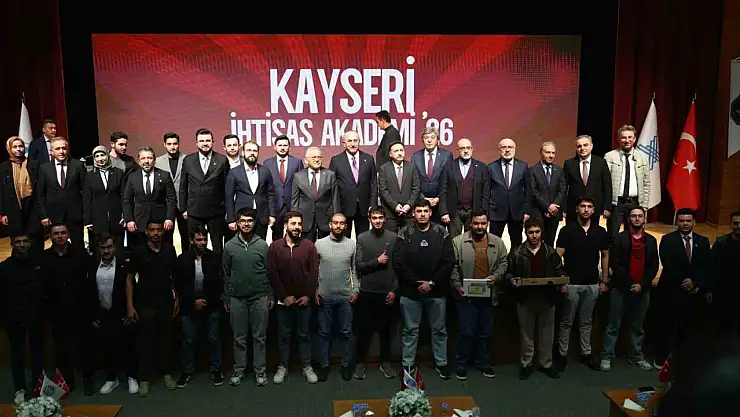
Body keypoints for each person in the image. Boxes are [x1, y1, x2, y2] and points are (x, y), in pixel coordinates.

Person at [393, 199, 455, 380]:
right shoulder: (405, 232)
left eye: (425, 211)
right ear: (413, 213)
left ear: (430, 213)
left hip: (437, 291)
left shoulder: (441, 232)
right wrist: (416, 282)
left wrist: (432, 283)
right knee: (410, 331)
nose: (422, 214)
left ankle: (442, 363)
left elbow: (449, 261)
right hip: (410, 292)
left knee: (439, 330)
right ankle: (408, 364)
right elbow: (398, 262)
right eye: (419, 211)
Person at [449, 209, 507, 380]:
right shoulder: (458, 241)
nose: (479, 226)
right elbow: (453, 266)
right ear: (470, 224)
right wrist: (457, 285)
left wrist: (496, 277)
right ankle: (461, 365)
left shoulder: (497, 242)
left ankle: (483, 363)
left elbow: (504, 263)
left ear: (487, 223)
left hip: (489, 295)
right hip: (466, 296)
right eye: (476, 223)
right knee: (466, 333)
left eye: (483, 223)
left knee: (486, 333)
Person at [554, 196, 610, 373]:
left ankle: (586, 354)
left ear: (594, 210)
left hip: (592, 284)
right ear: (577, 209)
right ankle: (562, 356)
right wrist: (562, 279)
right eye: (583, 206)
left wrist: (604, 280)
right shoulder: (567, 231)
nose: (586, 209)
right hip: (571, 284)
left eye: (589, 207)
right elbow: (557, 257)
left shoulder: (600, 232)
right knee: (566, 322)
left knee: (587, 322)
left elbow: (605, 256)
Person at [600, 206, 658, 372]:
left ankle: (636, 356)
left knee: (638, 326)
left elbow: (654, 265)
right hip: (621, 288)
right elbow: (615, 263)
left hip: (642, 289)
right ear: (628, 219)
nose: (637, 219)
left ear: (644, 219)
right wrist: (631, 283)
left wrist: (642, 285)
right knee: (613, 325)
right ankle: (607, 356)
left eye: (640, 216)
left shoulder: (651, 240)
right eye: (634, 216)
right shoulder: (619, 239)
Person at [506, 218, 565, 380]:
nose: (534, 235)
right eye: (531, 232)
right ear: (525, 233)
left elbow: (559, 270)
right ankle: (526, 364)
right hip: (525, 299)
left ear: (541, 233)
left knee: (547, 334)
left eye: (537, 232)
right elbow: (508, 273)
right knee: (526, 334)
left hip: (547, 298)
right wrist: (512, 280)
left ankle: (546, 364)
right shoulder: (516, 252)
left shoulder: (550, 252)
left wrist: (562, 281)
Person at [126, 221, 179, 397]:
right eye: (152, 230)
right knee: (144, 342)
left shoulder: (170, 250)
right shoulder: (139, 251)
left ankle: (166, 373)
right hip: (144, 303)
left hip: (165, 302)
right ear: (147, 233)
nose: (156, 233)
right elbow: (129, 278)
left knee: (166, 340)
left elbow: (174, 276)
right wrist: (130, 305)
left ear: (163, 232)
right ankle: (144, 378)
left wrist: (177, 298)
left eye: (158, 230)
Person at [654, 208, 710, 367]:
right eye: (682, 221)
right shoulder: (667, 240)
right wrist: (685, 281)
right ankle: (662, 358)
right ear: (676, 222)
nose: (685, 224)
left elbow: (706, 265)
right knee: (667, 326)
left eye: (688, 221)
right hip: (672, 290)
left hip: (693, 292)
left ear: (694, 222)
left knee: (690, 328)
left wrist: (694, 281)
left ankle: (686, 360)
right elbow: (668, 263)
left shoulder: (703, 241)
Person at [268, 212, 319, 384]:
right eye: (293, 223)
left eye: (299, 224)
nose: (297, 227)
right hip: (283, 302)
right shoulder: (275, 247)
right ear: (285, 226)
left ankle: (307, 366)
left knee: (304, 335)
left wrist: (308, 295)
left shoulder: (309, 246)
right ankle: (282, 367)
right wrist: (283, 297)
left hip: (303, 301)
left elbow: (313, 273)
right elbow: (273, 274)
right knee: (283, 336)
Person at [223, 209, 273, 387]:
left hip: (259, 297)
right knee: (239, 338)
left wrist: (270, 295)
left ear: (254, 223)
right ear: (237, 223)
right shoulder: (229, 246)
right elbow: (225, 273)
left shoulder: (262, 245)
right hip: (237, 299)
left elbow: (269, 272)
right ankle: (239, 370)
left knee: (260, 337)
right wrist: (227, 298)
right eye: (242, 221)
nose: (246, 224)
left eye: (249, 221)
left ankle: (260, 371)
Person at [42, 223, 93, 394]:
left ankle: (87, 378)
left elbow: (89, 280)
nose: (60, 236)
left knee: (84, 346)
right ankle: (67, 381)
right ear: (51, 236)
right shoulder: (45, 257)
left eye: (63, 233)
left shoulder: (80, 254)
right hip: (57, 310)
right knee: (61, 347)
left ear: (68, 234)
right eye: (56, 233)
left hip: (79, 307)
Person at [86, 233, 138, 395]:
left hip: (121, 313)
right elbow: (89, 292)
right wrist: (93, 315)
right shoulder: (92, 266)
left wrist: (129, 310)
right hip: (103, 313)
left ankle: (131, 377)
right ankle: (111, 378)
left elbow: (131, 289)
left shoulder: (124, 266)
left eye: (109, 247)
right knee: (107, 347)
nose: (106, 251)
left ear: (115, 247)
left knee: (128, 346)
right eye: (103, 248)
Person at [174, 226, 223, 388]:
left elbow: (217, 283)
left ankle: (216, 369)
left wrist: (204, 300)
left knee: (213, 339)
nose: (202, 243)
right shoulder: (182, 259)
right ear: (191, 240)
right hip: (189, 306)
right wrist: (194, 301)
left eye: (204, 239)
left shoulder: (214, 258)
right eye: (199, 239)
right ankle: (187, 370)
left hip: (211, 304)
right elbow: (180, 284)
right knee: (188, 340)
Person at [0, 234, 45, 404]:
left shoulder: (38, 264)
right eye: (18, 242)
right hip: (14, 319)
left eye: (25, 241)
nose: (22, 244)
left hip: (36, 317)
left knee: (38, 353)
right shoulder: (4, 268)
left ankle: (37, 386)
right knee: (17, 355)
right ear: (12, 244)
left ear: (30, 243)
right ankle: (20, 388)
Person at [354, 209, 398, 380]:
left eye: (380, 218)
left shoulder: (394, 238)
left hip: (386, 292)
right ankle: (360, 363)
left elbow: (398, 267)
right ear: (370, 219)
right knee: (363, 330)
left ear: (385, 219)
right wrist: (377, 262)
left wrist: (395, 290)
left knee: (386, 331)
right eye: (374, 218)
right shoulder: (362, 238)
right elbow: (359, 265)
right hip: (367, 291)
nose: (378, 221)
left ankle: (385, 362)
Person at [315, 213, 359, 382]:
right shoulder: (319, 244)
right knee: (323, 334)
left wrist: (356, 291)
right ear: (330, 225)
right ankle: (323, 366)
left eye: (342, 223)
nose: (338, 226)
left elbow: (354, 270)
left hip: (345, 297)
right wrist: (314, 291)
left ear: (346, 226)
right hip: (324, 296)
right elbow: (314, 270)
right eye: (335, 223)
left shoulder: (352, 245)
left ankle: (346, 365)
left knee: (346, 333)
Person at [179, 128, 230, 254]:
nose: (205, 143)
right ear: (196, 143)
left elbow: (227, 188)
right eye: (201, 141)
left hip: (216, 211)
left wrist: (227, 210)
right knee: (194, 246)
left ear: (213, 142)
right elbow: (183, 186)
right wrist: (183, 208)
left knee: (217, 246)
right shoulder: (188, 160)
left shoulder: (222, 160)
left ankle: (217, 267)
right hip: (194, 211)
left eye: (208, 140)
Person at [36, 137, 86, 251]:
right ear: (51, 152)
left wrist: (85, 213)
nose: (61, 151)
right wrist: (43, 215)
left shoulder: (78, 165)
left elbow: (85, 192)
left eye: (64, 148)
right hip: (54, 215)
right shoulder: (44, 168)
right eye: (58, 149)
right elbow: (40, 194)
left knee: (78, 246)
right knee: (57, 246)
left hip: (75, 215)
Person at [122, 147, 177, 248]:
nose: (146, 161)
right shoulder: (133, 177)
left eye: (149, 158)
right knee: (140, 250)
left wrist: (169, 218)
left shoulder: (164, 175)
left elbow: (171, 199)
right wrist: (129, 219)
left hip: (161, 222)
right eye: (143, 158)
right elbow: (127, 200)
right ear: (139, 161)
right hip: (139, 222)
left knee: (164, 249)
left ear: (154, 160)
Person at [604, 125, 651, 238]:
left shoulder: (643, 158)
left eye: (630, 137)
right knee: (612, 236)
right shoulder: (610, 156)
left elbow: (646, 183)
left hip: (635, 203)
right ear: (619, 139)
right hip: (616, 204)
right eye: (624, 137)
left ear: (634, 139)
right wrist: (606, 205)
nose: (627, 140)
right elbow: (605, 183)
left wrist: (644, 205)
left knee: (632, 235)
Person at [328, 130, 377, 237]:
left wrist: (373, 205)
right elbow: (332, 187)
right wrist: (336, 209)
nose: (353, 144)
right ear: (344, 143)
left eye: (355, 140)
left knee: (363, 239)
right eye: (349, 141)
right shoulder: (336, 160)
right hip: (344, 208)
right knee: (343, 240)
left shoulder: (369, 159)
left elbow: (373, 183)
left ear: (359, 142)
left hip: (364, 208)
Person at [0, 137, 43, 255]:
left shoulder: (34, 164)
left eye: (21, 146)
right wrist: (3, 213)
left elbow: (40, 189)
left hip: (32, 208)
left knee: (36, 242)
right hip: (13, 209)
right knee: (19, 242)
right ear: (9, 149)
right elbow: (2, 191)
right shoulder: (3, 167)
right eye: (15, 147)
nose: (18, 149)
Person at [225, 141, 276, 241]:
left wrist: (272, 214)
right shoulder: (234, 172)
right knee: (242, 246)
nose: (252, 153)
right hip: (242, 217)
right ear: (243, 152)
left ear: (258, 153)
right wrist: (231, 219)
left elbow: (270, 194)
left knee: (260, 245)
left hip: (261, 216)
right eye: (249, 150)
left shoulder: (265, 170)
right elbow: (229, 197)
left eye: (255, 151)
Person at [439, 138, 489, 238]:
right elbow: (443, 190)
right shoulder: (449, 166)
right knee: (454, 240)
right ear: (457, 150)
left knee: (472, 240)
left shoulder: (481, 167)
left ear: (472, 149)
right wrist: (444, 212)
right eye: (462, 148)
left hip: (474, 211)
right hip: (454, 212)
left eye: (468, 148)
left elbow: (486, 192)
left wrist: (483, 211)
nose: (466, 151)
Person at [487, 138, 530, 249]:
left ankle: (514, 261)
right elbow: (486, 191)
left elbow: (528, 191)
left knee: (517, 244)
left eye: (510, 147)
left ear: (515, 149)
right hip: (496, 213)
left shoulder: (523, 166)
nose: (507, 150)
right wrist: (487, 211)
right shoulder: (491, 167)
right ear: (499, 150)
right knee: (493, 244)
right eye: (504, 147)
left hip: (517, 212)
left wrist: (526, 211)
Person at [290, 147, 339, 242]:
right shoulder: (298, 176)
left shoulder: (330, 175)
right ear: (306, 160)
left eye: (319, 157)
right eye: (313, 157)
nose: (317, 160)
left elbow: (335, 199)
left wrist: (336, 219)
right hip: (305, 220)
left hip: (325, 220)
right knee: (306, 247)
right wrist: (294, 220)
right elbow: (295, 200)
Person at [83, 146, 125, 252]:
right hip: (97, 220)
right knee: (99, 250)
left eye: (102, 155)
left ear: (107, 156)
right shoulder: (89, 176)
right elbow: (87, 198)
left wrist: (125, 215)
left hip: (117, 219)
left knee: (118, 249)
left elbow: (124, 196)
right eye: (97, 156)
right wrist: (88, 221)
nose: (100, 158)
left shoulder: (118, 173)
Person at [563, 135, 612, 225]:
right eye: (579, 146)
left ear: (591, 146)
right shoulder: (569, 164)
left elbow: (607, 186)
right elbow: (564, 188)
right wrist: (564, 208)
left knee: (593, 233)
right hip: (574, 210)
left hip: (594, 209)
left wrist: (607, 207)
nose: (582, 148)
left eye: (585, 145)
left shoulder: (601, 163)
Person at [705, 210, 740, 335]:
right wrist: (708, 289)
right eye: (736, 223)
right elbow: (711, 266)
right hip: (724, 291)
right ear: (730, 224)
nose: (739, 226)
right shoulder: (721, 243)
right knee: (723, 329)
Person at [262, 135, 304, 242]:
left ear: (289, 147)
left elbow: (302, 184)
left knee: (295, 235)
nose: (282, 148)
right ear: (275, 147)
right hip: (275, 206)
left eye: (285, 145)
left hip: (292, 205)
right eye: (280, 145)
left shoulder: (297, 162)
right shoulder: (267, 163)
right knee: (277, 237)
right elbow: (265, 187)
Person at [154, 132, 189, 251]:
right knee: (167, 237)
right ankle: (169, 260)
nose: (172, 146)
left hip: (183, 205)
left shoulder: (188, 159)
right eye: (169, 144)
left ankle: (186, 260)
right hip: (166, 205)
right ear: (164, 144)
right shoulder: (158, 161)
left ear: (179, 144)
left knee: (186, 236)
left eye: (175, 143)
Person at [528, 141, 567, 247]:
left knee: (550, 242)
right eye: (548, 152)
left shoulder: (559, 170)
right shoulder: (532, 170)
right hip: (538, 213)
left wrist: (553, 207)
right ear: (541, 153)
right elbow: (533, 192)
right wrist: (547, 207)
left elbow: (562, 189)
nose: (551, 155)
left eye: (553, 153)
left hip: (555, 212)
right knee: (537, 243)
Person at [412, 127, 453, 224]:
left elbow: (449, 180)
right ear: (423, 140)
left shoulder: (447, 155)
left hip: (441, 204)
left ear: (437, 140)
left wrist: (438, 198)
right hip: (422, 203)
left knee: (439, 231)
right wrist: (423, 198)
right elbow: (414, 180)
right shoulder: (415, 156)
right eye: (426, 138)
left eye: (432, 137)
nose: (429, 140)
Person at [378, 142, 421, 232]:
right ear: (390, 154)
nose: (399, 153)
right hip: (390, 213)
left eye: (401, 150)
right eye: (396, 151)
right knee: (391, 239)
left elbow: (416, 188)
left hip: (408, 213)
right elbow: (383, 190)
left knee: (409, 238)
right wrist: (395, 206)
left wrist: (409, 205)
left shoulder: (412, 167)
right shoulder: (384, 169)